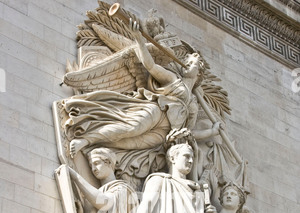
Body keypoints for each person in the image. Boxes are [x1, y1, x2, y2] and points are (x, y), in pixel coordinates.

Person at [62, 20, 221, 156]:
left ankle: (94, 144)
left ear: (199, 72)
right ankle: (86, 139)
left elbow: (189, 132)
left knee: (131, 143)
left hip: (164, 133)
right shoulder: (173, 79)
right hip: (156, 113)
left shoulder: (192, 103)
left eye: (192, 63)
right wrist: (138, 38)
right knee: (130, 128)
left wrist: (212, 132)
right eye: (186, 61)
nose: (186, 63)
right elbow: (150, 65)